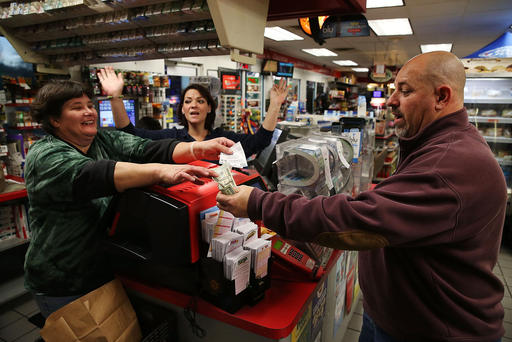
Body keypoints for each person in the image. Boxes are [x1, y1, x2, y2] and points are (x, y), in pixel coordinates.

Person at [216, 51, 508, 342]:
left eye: (404, 91)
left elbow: (358, 222)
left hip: (432, 332)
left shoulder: (452, 163)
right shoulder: (437, 145)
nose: (391, 101)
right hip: (396, 319)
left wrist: (258, 203)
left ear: (441, 97)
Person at [24, 79, 234, 318]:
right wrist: (160, 171)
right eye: (76, 107)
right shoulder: (45, 155)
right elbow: (97, 175)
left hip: (101, 268)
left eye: (89, 105)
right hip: (62, 278)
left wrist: (197, 149)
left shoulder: (101, 140)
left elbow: (147, 148)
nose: (89, 111)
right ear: (55, 119)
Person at [98, 66, 289, 157]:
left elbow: (260, 141)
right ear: (182, 108)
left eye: (200, 101)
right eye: (188, 101)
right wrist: (115, 97)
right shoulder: (170, 138)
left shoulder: (224, 140)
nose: (193, 105)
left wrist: (275, 105)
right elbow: (130, 134)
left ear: (209, 107)